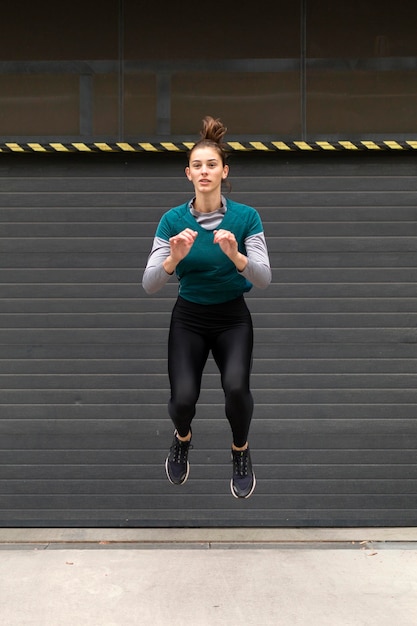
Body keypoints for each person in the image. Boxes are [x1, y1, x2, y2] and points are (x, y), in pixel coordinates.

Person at [142, 116, 271, 498]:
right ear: (187, 173)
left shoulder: (246, 218)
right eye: (197, 165)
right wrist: (172, 259)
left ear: (224, 171)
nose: (204, 171)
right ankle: (182, 438)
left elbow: (264, 278)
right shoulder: (172, 221)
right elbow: (149, 283)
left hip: (232, 318)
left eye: (211, 164)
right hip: (190, 318)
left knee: (236, 388)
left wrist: (237, 255)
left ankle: (240, 450)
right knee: (182, 400)